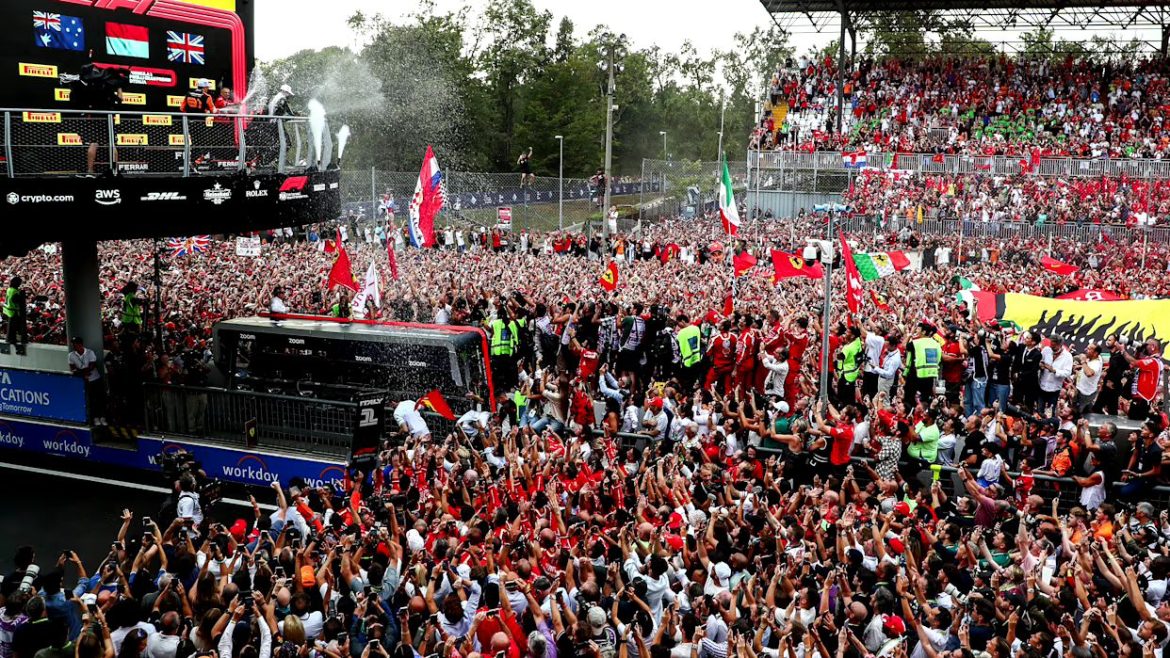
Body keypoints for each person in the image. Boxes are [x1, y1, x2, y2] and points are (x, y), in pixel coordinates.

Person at [68, 336, 106, 426]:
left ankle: (102, 417)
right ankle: (95, 418)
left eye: (76, 344)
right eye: (73, 344)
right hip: (84, 381)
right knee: (90, 400)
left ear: (81, 344)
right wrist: (84, 372)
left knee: (99, 399)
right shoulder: (71, 355)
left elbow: (92, 366)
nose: (74, 346)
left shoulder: (90, 352)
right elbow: (72, 368)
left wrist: (81, 371)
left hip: (95, 379)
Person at [3, 276, 27, 352]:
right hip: (13, 311)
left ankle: (11, 339)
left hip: (7, 310)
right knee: (13, 329)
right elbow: (17, 301)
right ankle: (14, 342)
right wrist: (22, 295)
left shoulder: (9, 289)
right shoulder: (15, 292)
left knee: (11, 328)